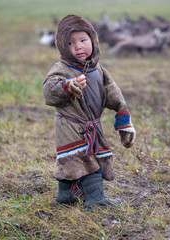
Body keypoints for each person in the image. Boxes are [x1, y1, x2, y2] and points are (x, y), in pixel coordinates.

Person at [42, 15, 136, 209]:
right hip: (71, 125)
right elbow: (49, 92)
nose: (78, 46)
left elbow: (114, 93)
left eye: (83, 40)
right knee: (86, 160)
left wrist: (124, 122)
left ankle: (66, 195)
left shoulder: (98, 69)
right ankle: (96, 200)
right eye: (70, 42)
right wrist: (68, 86)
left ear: (93, 40)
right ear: (61, 46)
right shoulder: (61, 69)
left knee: (73, 161)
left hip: (92, 124)